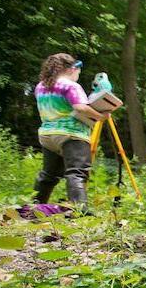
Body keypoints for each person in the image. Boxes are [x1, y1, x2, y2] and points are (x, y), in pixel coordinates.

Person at [33, 53, 107, 210]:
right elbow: (80, 107)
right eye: (78, 72)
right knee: (77, 173)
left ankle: (33, 208)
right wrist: (99, 116)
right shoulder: (71, 86)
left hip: (48, 136)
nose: (78, 76)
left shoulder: (41, 86)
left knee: (48, 175)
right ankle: (80, 212)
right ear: (72, 69)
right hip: (71, 134)